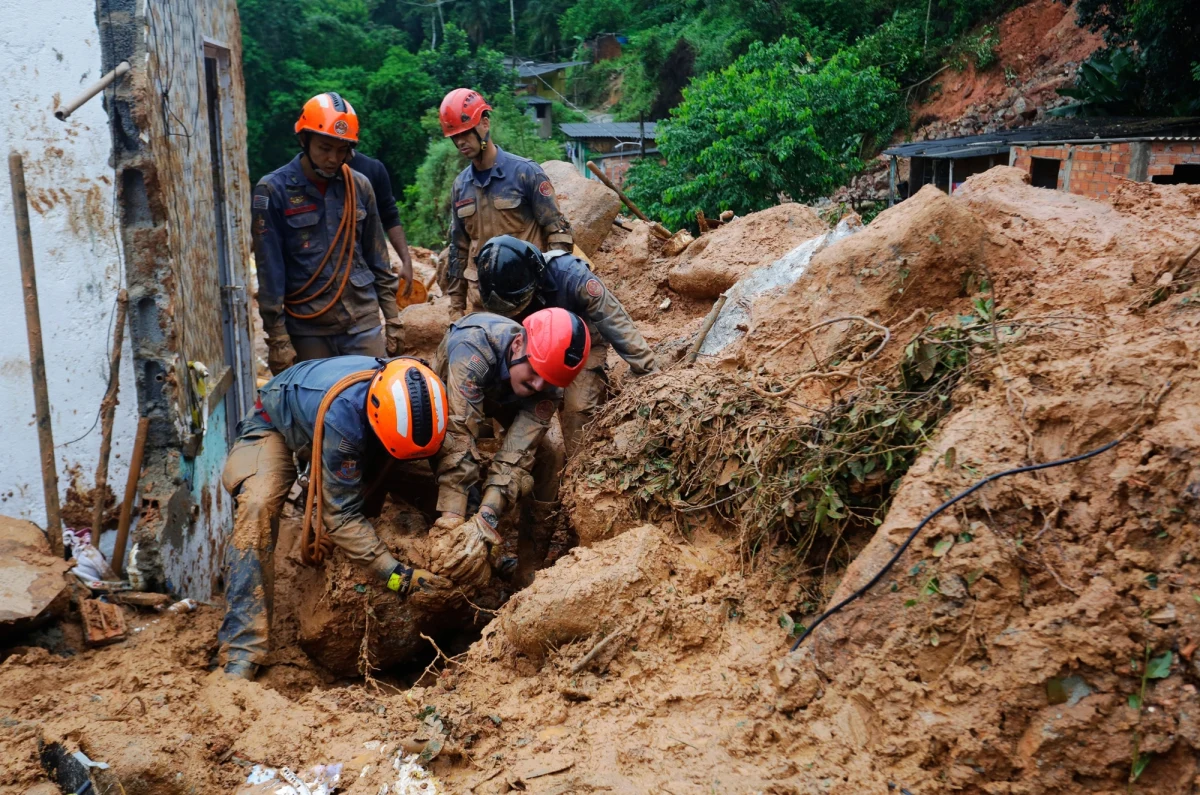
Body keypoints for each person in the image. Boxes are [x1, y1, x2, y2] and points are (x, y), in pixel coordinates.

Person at [219, 356, 452, 680]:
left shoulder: (427, 394)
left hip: (360, 433)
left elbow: (451, 460)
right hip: (276, 425)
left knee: (421, 481)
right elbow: (340, 516)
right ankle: (242, 649)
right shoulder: (344, 422)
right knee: (257, 507)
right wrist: (395, 575)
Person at [432, 307, 590, 585]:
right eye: (536, 371)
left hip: (507, 392)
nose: (539, 384)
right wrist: (453, 522)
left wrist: (487, 517)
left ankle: (529, 568)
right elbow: (458, 439)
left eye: (549, 380)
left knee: (550, 454)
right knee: (446, 446)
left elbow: (516, 456)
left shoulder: (547, 382)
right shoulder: (472, 349)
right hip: (457, 386)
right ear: (518, 344)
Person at [252, 92, 402, 374]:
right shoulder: (273, 191)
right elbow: (269, 272)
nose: (334, 158)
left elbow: (378, 258)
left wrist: (392, 319)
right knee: (318, 407)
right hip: (309, 326)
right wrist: (278, 340)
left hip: (362, 319)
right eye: (324, 148)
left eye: (342, 149)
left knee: (376, 396)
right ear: (304, 140)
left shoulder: (360, 186)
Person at [475, 235, 658, 457]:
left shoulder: (571, 275)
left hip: (579, 348)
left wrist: (648, 372)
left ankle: (578, 472)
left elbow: (613, 319)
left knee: (577, 410)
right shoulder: (498, 293)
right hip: (527, 355)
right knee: (510, 414)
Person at [439, 88, 574, 318]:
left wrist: (554, 288)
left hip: (530, 300)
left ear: (484, 124)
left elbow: (558, 233)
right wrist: (456, 308)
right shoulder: (461, 186)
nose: (460, 142)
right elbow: (458, 249)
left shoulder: (525, 173)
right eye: (455, 137)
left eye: (466, 133)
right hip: (484, 305)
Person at [348, 149, 415, 298]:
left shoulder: (372, 169)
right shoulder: (303, 175)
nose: (332, 158)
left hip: (363, 273)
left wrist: (406, 261)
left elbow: (390, 217)